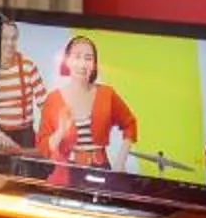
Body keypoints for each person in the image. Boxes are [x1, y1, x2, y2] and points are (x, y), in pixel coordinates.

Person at [36, 33, 139, 174]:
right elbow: (43, 148)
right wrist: (60, 131)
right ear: (67, 61)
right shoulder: (53, 99)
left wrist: (121, 160)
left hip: (101, 169)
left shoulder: (107, 94)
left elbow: (130, 124)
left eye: (88, 58)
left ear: (94, 64)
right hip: (67, 172)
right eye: (77, 57)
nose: (83, 64)